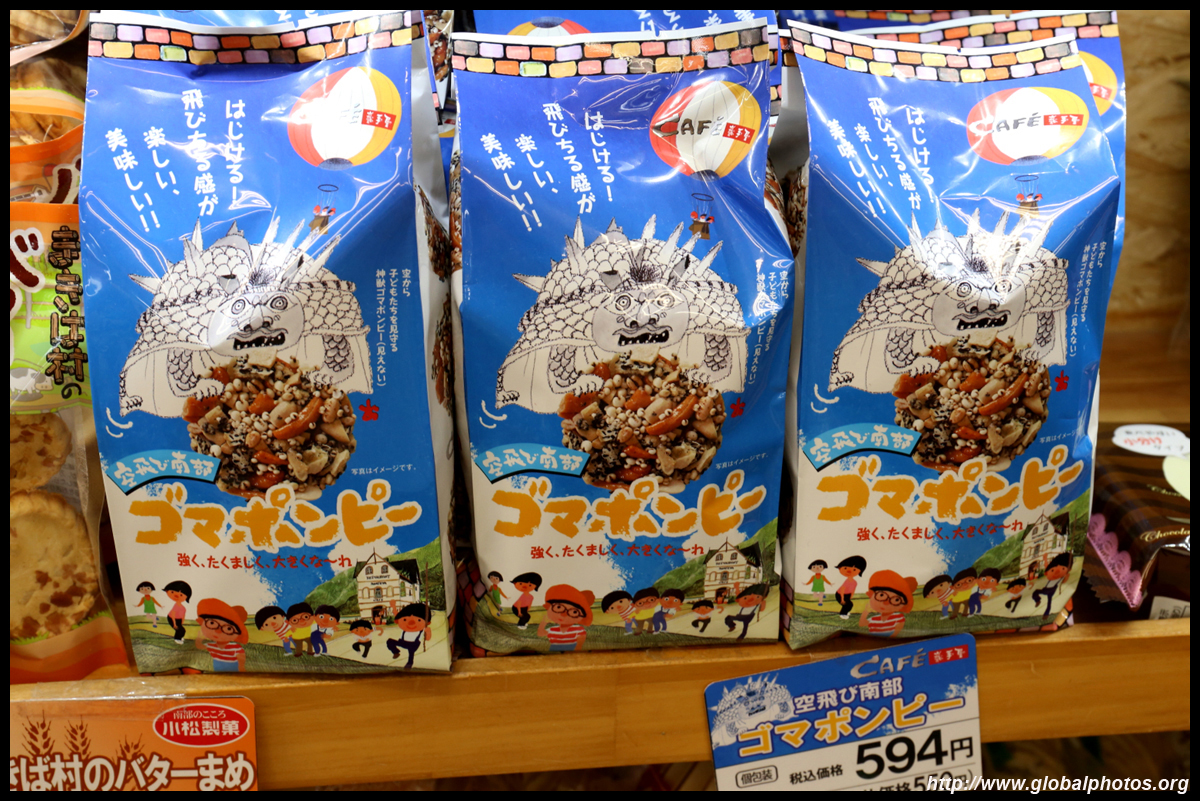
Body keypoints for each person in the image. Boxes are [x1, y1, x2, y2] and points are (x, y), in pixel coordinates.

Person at [194, 598, 249, 672]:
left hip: (234, 674)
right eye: (212, 623)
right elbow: (200, 646)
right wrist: (199, 638)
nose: (218, 631)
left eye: (228, 629)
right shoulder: (211, 645)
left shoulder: (236, 648)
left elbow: (241, 665)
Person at [859, 570, 918, 637]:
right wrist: (866, 611)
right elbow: (861, 624)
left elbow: (896, 633)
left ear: (903, 605)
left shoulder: (898, 617)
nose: (886, 602)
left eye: (896, 600)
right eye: (881, 595)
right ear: (871, 594)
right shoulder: (874, 619)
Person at [537, 584, 594, 652]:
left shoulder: (579, 629)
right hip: (554, 652)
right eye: (559, 607)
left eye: (574, 612)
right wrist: (543, 623)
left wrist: (577, 650)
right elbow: (540, 634)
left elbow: (580, 643)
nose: (564, 614)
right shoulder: (552, 629)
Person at [386, 603, 431, 669]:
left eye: (419, 620)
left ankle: (409, 663)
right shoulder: (404, 626)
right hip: (403, 642)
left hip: (413, 644)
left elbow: (427, 638)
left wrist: (428, 632)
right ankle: (396, 652)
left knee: (411, 652)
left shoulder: (423, 628)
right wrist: (394, 607)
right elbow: (397, 616)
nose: (411, 622)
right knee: (389, 641)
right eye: (405, 620)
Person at [1030, 552, 1072, 617]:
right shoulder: (1061, 575)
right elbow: (1048, 567)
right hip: (1052, 590)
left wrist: (1066, 577)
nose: (1057, 572)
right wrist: (1045, 559)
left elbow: (1048, 568)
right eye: (1052, 570)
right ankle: (1046, 614)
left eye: (1063, 569)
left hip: (1048, 589)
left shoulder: (1061, 576)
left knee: (1036, 592)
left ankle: (1038, 600)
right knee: (1049, 603)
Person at [163, 580, 192, 644]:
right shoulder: (176, 606)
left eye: (181, 595)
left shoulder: (183, 608)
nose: (176, 595)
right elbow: (173, 614)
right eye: (172, 592)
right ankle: (177, 639)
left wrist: (182, 621)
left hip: (178, 619)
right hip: (172, 618)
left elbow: (183, 615)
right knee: (179, 630)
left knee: (182, 630)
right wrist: (174, 624)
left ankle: (179, 638)